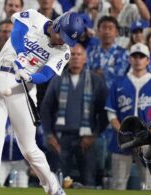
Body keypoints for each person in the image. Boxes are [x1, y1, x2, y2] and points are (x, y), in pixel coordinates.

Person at [0, 10, 85, 195]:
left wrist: (29, 76)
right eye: (61, 37)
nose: (62, 42)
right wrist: (20, 57)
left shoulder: (64, 51)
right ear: (57, 25)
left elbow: (46, 74)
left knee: (28, 148)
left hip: (22, 89)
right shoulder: (34, 17)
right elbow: (17, 32)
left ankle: (53, 188)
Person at [41, 44, 107, 187]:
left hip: (86, 138)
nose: (75, 58)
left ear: (85, 58)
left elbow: (104, 112)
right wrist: (49, 134)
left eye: (79, 54)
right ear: (67, 58)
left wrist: (93, 135)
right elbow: (45, 109)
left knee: (89, 180)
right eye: (72, 54)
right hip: (61, 138)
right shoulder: (57, 80)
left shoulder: (96, 81)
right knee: (57, 181)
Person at [105, 43, 151, 190]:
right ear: (129, 59)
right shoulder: (118, 83)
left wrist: (149, 135)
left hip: (147, 140)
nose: (138, 60)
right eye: (134, 56)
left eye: (141, 57)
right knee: (118, 184)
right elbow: (111, 113)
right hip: (121, 140)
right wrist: (122, 133)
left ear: (148, 60)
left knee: (149, 184)